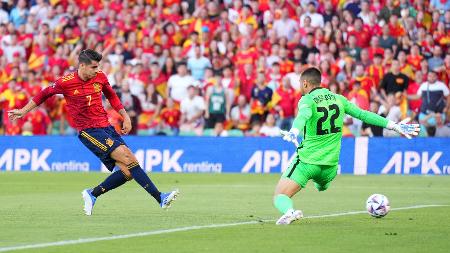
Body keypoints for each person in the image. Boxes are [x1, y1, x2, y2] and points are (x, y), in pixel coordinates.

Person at [8, 49, 179, 216]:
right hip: (89, 131)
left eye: (98, 67)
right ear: (82, 66)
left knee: (127, 172)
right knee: (128, 157)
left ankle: (92, 194)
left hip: (106, 127)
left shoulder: (101, 77)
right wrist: (23, 111)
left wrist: (125, 117)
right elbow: (44, 94)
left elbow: (112, 96)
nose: (97, 70)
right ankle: (160, 198)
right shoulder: (66, 82)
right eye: (94, 67)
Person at [274, 67, 420, 225]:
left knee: (280, 195)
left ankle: (289, 212)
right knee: (320, 186)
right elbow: (363, 114)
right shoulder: (339, 99)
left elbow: (304, 115)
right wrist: (393, 125)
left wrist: (294, 130)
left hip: (308, 161)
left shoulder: (306, 100)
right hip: (330, 166)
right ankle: (320, 182)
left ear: (305, 83)